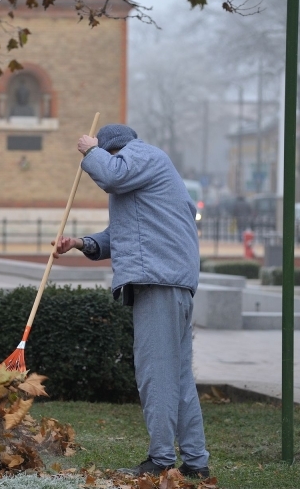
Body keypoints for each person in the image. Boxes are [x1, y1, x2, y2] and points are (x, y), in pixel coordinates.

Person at [53, 124, 210, 479]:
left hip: (159, 281)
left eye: (104, 155)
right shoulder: (143, 175)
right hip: (169, 281)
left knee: (156, 374)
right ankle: (196, 464)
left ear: (113, 149)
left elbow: (111, 175)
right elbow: (125, 233)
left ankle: (160, 461)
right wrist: (81, 242)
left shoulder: (139, 155)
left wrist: (89, 150)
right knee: (178, 377)